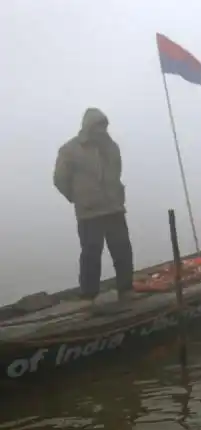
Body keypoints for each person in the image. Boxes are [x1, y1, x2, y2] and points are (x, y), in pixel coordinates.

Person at [53, 108, 134, 304]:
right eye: (98, 125)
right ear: (88, 126)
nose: (101, 129)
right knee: (91, 253)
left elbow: (117, 171)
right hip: (89, 212)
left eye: (103, 125)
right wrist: (78, 198)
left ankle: (126, 289)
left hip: (114, 207)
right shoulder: (69, 150)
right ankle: (89, 295)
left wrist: (116, 192)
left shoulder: (112, 147)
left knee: (122, 249)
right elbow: (59, 179)